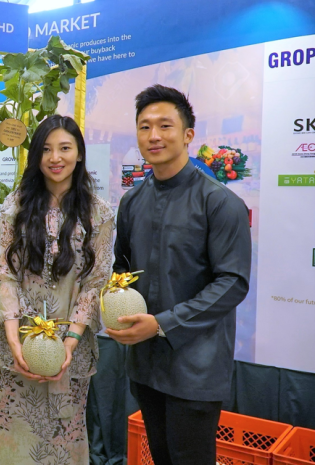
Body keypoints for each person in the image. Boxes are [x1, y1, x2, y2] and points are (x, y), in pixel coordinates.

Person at [107, 84, 252, 465]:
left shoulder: (220, 203)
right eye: (144, 127)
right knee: (160, 456)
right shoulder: (131, 201)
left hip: (196, 368)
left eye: (165, 125)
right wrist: (114, 307)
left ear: (188, 135)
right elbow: (122, 267)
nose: (154, 136)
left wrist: (161, 324)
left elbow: (232, 282)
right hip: (144, 363)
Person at [0, 115, 114, 464]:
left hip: (68, 348)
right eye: (46, 149)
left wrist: (68, 344)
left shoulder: (99, 214)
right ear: (36, 156)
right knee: (11, 437)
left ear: (80, 154)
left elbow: (93, 285)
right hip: (17, 341)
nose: (56, 157)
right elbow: (5, 275)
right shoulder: (17, 206)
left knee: (62, 440)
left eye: (65, 148)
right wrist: (14, 341)